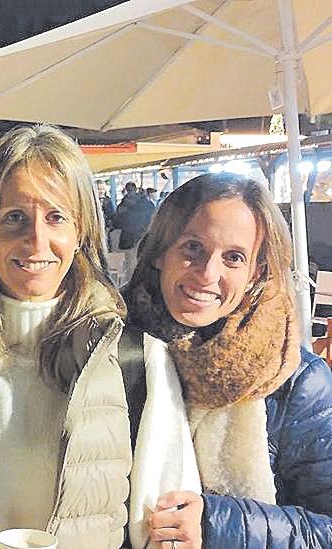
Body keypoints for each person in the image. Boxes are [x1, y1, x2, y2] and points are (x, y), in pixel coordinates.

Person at [0, 125, 131, 548]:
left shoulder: (126, 352)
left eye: (56, 217)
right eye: (14, 217)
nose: (36, 241)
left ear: (81, 229)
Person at [123, 172, 332, 548]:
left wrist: (218, 524)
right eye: (192, 248)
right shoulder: (112, 352)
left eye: (233, 257)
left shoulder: (297, 380)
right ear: (159, 253)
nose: (207, 274)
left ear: (256, 272)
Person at [113, 181, 155, 249]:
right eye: (128, 190)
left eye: (130, 190)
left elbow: (117, 222)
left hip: (134, 238)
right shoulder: (147, 203)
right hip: (137, 238)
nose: (129, 192)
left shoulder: (123, 206)